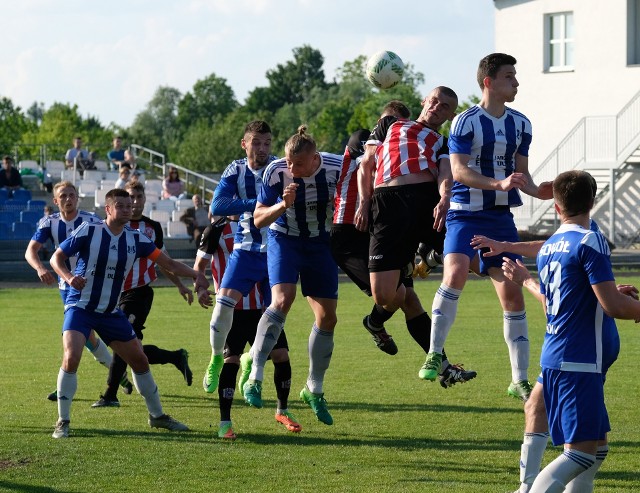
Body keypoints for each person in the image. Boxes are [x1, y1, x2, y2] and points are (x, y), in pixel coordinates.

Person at [419, 53, 553, 402]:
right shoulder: (465, 121)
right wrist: (499, 184)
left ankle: (518, 379)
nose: (517, 83)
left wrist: (538, 191)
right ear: (488, 82)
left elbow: (520, 176)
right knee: (456, 272)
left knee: (512, 292)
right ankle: (435, 352)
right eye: (510, 76)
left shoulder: (522, 124)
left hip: (500, 218)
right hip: (464, 212)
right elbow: (459, 171)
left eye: (516, 76)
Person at [332, 95, 476, 388]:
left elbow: (446, 173)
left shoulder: (442, 141)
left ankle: (434, 256)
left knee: (473, 254)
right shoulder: (391, 125)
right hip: (387, 207)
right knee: (389, 296)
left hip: (424, 203)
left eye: (445, 106)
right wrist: (363, 202)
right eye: (435, 101)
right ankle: (379, 319)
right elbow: (367, 164)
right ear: (425, 101)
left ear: (450, 115)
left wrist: (445, 197)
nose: (437, 107)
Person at [48, 188, 211, 438]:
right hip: (80, 306)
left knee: (140, 360)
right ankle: (63, 420)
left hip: (110, 311)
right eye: (122, 205)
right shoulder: (90, 231)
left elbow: (167, 263)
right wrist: (69, 277)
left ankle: (157, 416)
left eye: (130, 204)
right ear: (109, 209)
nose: (129, 208)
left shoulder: (136, 239)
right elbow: (56, 258)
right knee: (72, 356)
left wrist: (196, 274)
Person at [526, 170, 640, 492]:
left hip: (558, 356)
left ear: (556, 207)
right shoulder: (590, 240)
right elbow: (613, 307)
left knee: (596, 449)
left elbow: (568, 298)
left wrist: (614, 294)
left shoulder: (549, 245)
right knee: (578, 456)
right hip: (578, 360)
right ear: (593, 202)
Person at [243, 125, 341, 425]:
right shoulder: (275, 171)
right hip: (284, 238)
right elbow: (258, 220)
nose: (292, 168)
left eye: (298, 164)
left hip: (321, 243)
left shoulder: (337, 167)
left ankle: (314, 387)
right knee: (283, 299)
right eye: (288, 162)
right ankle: (255, 375)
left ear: (315, 160)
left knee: (328, 318)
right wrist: (283, 204)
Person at [91, 182, 197, 408]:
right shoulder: (110, 228)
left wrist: (180, 285)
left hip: (139, 293)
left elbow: (164, 261)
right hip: (116, 293)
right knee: (132, 347)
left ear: (144, 200)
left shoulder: (152, 228)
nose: (136, 202)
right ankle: (175, 357)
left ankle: (110, 394)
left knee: (122, 339)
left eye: (139, 197)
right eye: (131, 198)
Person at [24, 181, 133, 401]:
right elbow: (31, 251)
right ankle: (115, 374)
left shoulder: (90, 221)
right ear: (56, 201)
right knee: (85, 337)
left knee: (85, 337)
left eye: (71, 195)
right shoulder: (50, 222)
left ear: (77, 198)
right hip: (68, 287)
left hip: (93, 286)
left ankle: (110, 374)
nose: (68, 199)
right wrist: (40, 268)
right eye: (63, 195)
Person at [194, 217, 299, 439]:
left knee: (281, 355)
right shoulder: (217, 228)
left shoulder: (268, 221)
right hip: (233, 310)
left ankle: (282, 411)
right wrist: (201, 288)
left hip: (263, 309)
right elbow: (200, 266)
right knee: (230, 362)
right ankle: (225, 423)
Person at [201, 120, 277, 394]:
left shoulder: (279, 167)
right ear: (244, 144)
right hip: (245, 250)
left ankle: (255, 372)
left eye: (267, 142)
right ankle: (216, 357)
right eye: (256, 143)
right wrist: (256, 205)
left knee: (274, 316)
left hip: (277, 251)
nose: (262, 149)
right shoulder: (236, 169)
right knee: (222, 305)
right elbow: (218, 205)